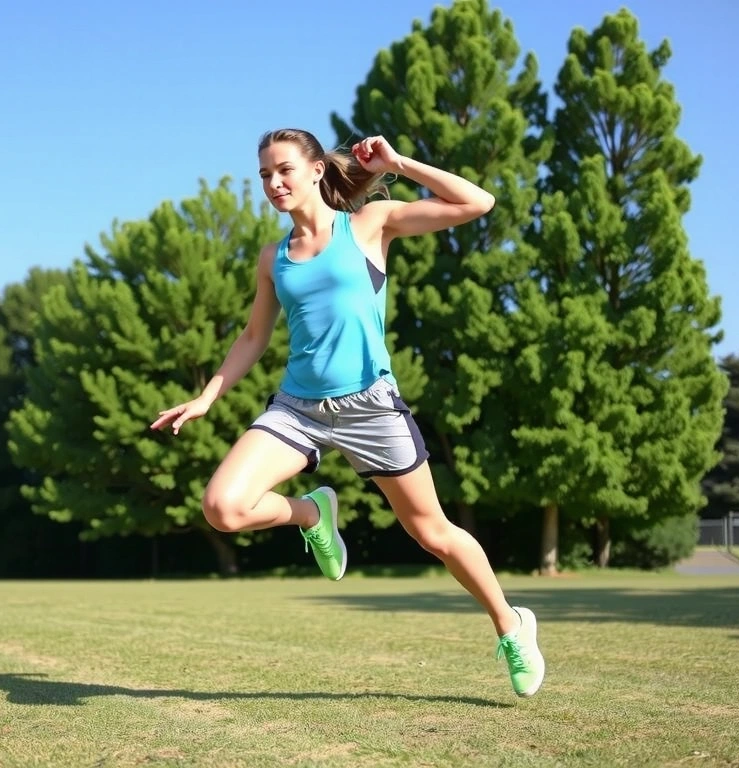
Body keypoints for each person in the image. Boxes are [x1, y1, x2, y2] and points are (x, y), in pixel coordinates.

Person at [150, 128, 545, 698]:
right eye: (264, 175)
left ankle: (511, 625)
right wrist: (207, 396)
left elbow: (477, 203)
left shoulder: (369, 224)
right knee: (223, 507)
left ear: (316, 171)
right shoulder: (273, 259)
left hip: (371, 407)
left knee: (433, 533)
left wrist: (398, 164)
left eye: (284, 170)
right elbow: (254, 336)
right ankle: (312, 515)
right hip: (298, 409)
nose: (273, 183)